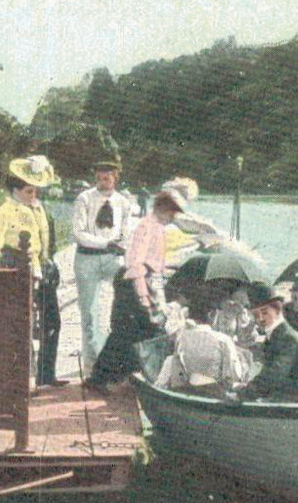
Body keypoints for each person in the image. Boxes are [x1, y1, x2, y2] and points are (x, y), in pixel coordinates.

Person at [0, 156, 65, 388]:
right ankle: (22, 378)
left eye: (35, 190)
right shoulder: (3, 212)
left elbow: (47, 240)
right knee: (22, 325)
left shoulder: (39, 209)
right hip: (16, 270)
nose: (33, 195)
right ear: (15, 190)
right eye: (29, 191)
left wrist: (48, 262)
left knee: (51, 322)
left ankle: (46, 375)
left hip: (42, 270)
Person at [90, 186, 186, 389]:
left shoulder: (158, 227)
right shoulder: (146, 226)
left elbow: (154, 261)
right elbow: (135, 263)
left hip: (146, 280)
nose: (174, 217)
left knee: (138, 331)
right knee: (130, 331)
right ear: (162, 208)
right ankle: (100, 378)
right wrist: (143, 295)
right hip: (134, 282)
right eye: (172, 212)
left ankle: (122, 374)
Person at [70, 159, 138, 379]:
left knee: (125, 304)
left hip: (112, 259)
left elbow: (127, 233)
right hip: (87, 258)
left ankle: (120, 363)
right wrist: (104, 243)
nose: (102, 181)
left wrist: (122, 246)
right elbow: (78, 233)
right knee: (89, 313)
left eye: (107, 177)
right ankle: (92, 367)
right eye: (99, 177)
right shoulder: (84, 199)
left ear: (115, 178)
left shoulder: (123, 203)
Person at [239, 284, 298, 403]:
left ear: (278, 309)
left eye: (264, 313)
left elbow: (273, 376)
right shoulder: (276, 335)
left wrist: (242, 394)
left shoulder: (287, 337)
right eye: (255, 314)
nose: (260, 319)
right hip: (286, 399)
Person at [155, 299, 252, 399]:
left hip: (190, 391)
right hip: (216, 394)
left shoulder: (181, 338)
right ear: (213, 316)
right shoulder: (223, 339)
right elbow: (234, 375)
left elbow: (178, 375)